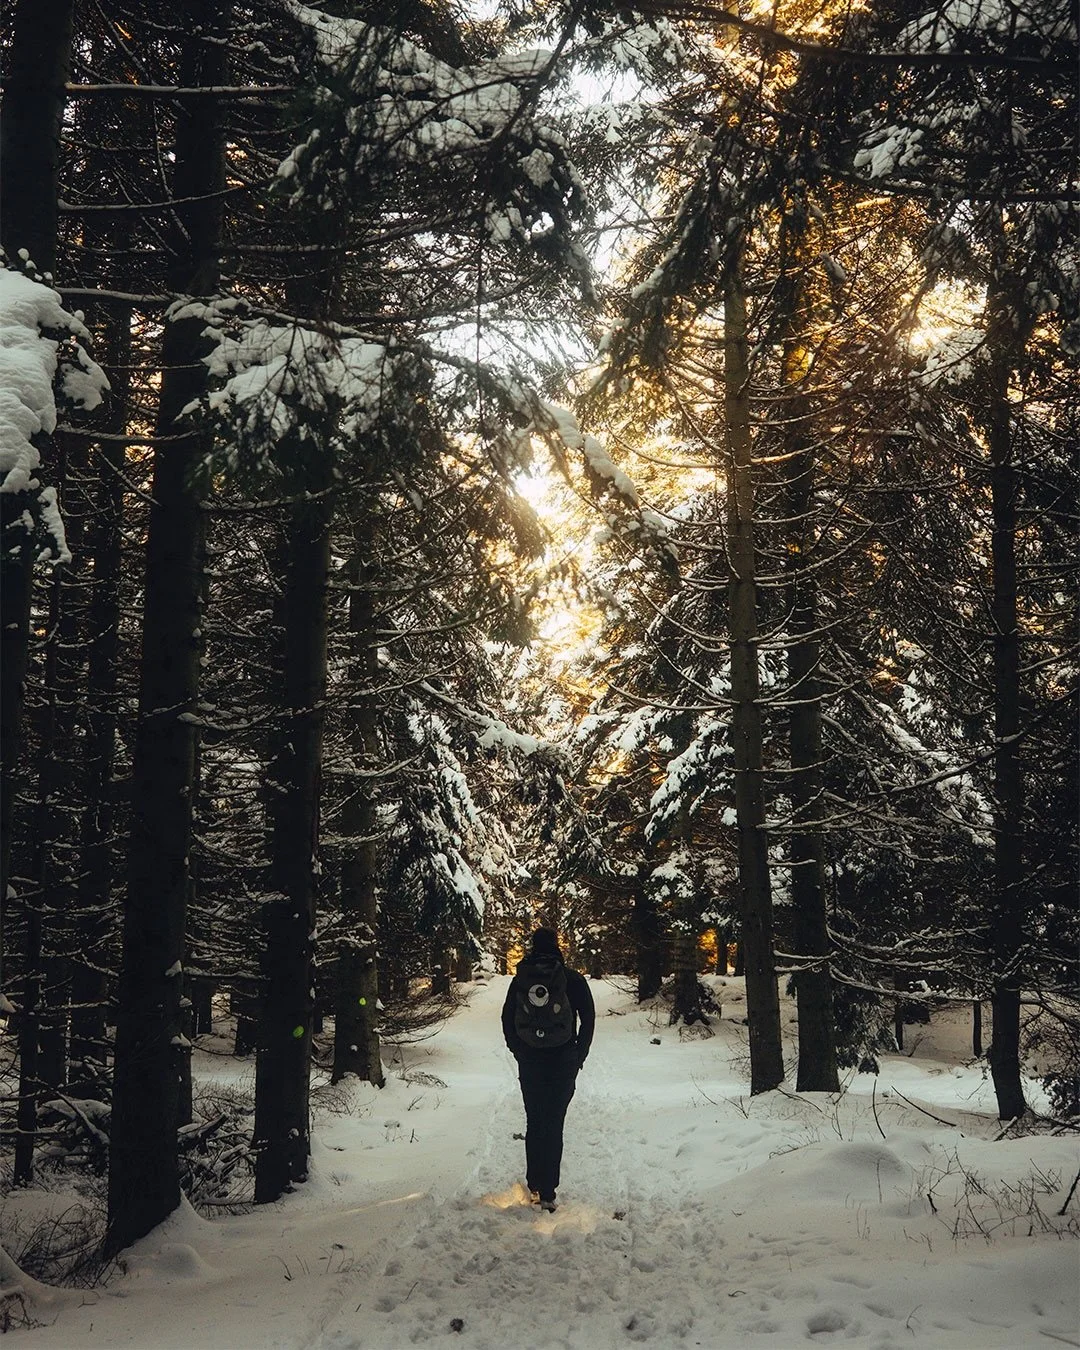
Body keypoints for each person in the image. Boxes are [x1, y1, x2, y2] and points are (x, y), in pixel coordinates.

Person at [501, 928, 595, 1212]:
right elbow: (589, 1018)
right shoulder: (572, 979)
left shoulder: (521, 979)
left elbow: (507, 1018)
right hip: (563, 1060)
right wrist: (578, 1054)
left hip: (530, 1060)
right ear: (557, 946)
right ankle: (549, 1192)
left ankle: (534, 1185)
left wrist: (518, 1050)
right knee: (554, 1123)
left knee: (535, 1120)